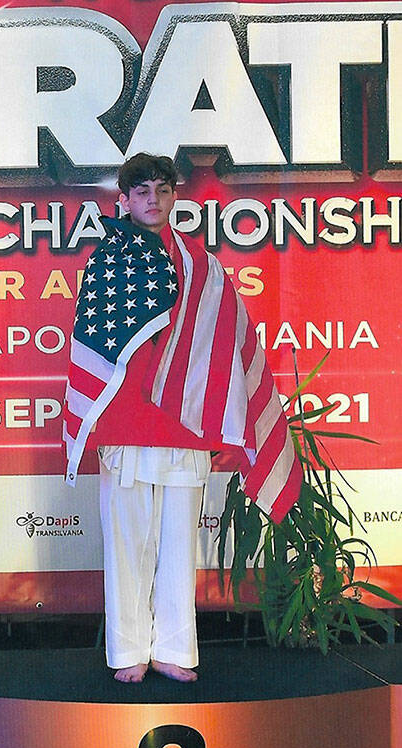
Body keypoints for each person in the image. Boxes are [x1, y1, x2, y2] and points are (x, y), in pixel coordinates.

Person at [62, 153, 299, 683]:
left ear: (174, 197)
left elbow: (224, 345)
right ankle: (128, 653)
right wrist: (101, 418)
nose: (153, 199)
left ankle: (174, 648)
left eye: (163, 190)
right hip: (126, 419)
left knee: (177, 540)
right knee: (127, 539)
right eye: (142, 191)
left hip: (187, 422)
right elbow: (93, 346)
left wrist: (222, 420)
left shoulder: (202, 265)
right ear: (123, 199)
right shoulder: (106, 259)